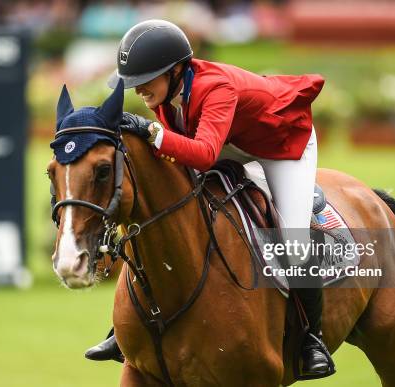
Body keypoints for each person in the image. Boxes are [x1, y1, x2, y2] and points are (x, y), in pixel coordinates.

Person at [85, 19, 333, 378]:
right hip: (229, 143)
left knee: (292, 242)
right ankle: (128, 329)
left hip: (280, 145)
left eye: (144, 80)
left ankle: (312, 338)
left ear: (175, 71)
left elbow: (201, 154)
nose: (137, 90)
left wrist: (152, 133)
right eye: (133, 83)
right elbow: (179, 158)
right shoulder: (167, 95)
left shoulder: (214, 87)